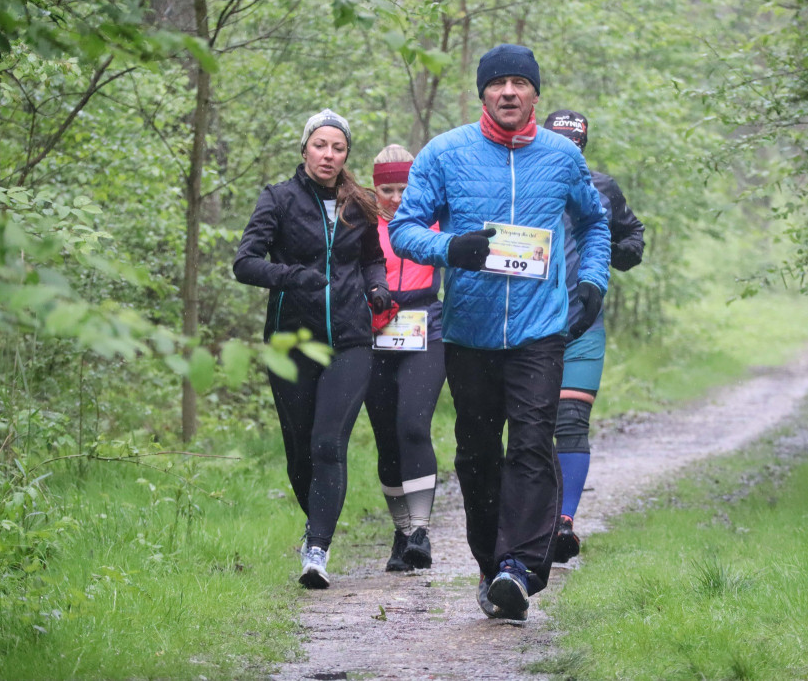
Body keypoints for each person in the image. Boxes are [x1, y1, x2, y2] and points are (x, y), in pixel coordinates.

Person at [388, 44, 611, 620]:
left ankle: (520, 567)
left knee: (534, 444)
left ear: (536, 93)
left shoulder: (562, 157)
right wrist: (450, 248)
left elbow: (595, 221)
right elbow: (406, 229)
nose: (509, 92)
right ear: (481, 92)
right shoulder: (445, 153)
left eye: (520, 83)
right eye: (498, 84)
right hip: (469, 334)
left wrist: (591, 282)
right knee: (478, 454)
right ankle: (491, 566)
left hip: (540, 331)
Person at [233, 109, 391, 589]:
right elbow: (245, 263)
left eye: (338, 148)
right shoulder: (278, 200)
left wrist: (378, 288)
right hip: (291, 341)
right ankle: (315, 526)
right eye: (320, 145)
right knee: (301, 453)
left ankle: (317, 550)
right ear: (304, 149)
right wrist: (292, 277)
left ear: (346, 155)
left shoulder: (357, 204)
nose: (328, 154)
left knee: (328, 444)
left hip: (350, 340)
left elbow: (373, 261)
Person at [542, 109, 646, 563]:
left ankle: (563, 523)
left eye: (576, 143)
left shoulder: (601, 188)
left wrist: (618, 255)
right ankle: (531, 520)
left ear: (583, 145)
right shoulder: (522, 185)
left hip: (584, 322)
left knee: (570, 423)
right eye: (561, 140)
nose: (569, 149)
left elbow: (632, 234)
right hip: (529, 324)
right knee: (531, 428)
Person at [364, 144, 446, 572]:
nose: (396, 198)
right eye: (388, 190)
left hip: (426, 325)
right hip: (374, 332)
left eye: (404, 187)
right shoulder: (359, 225)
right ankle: (400, 536)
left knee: (412, 424)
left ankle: (421, 532)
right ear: (375, 190)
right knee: (386, 435)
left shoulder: (431, 220)